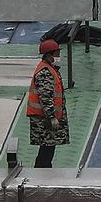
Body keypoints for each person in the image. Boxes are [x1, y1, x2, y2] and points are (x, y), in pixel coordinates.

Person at [27, 40, 68, 168]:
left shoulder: (50, 69)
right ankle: (41, 176)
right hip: (44, 120)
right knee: (46, 150)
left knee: (47, 149)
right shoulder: (45, 72)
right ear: (50, 55)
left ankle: (42, 173)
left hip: (45, 118)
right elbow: (45, 97)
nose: (59, 55)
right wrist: (52, 117)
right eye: (57, 53)